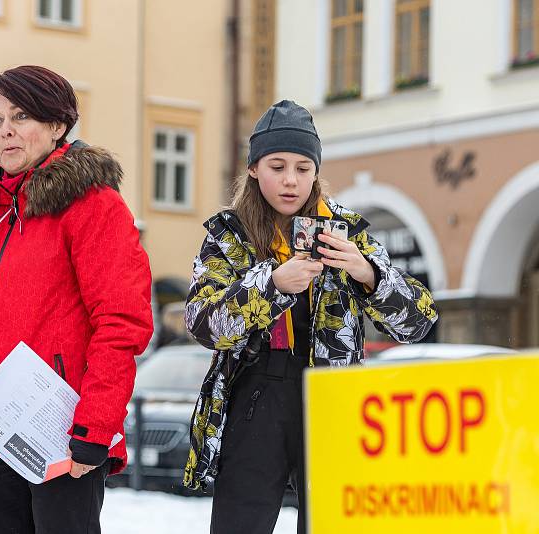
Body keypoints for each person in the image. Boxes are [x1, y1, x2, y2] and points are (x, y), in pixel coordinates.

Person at [183, 100, 438, 534]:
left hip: (331, 398)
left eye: (303, 168)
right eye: (277, 166)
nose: (290, 180)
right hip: (256, 394)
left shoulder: (345, 230)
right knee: (239, 524)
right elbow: (203, 324)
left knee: (331, 523)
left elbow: (418, 321)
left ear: (316, 171)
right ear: (253, 169)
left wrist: (367, 273)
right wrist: (272, 285)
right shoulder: (229, 234)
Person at [0, 65, 153, 534]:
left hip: (61, 440)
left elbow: (122, 321)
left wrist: (93, 429)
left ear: (57, 125)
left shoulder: (92, 204)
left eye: (21, 116)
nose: (6, 131)